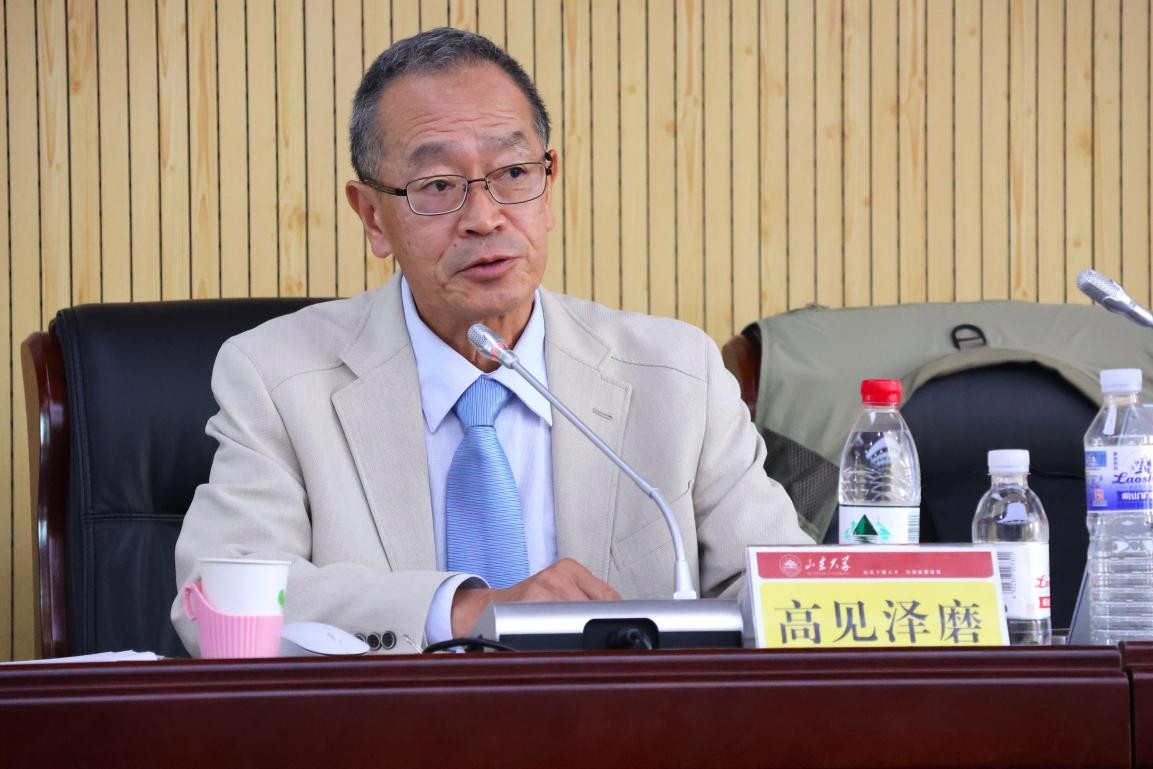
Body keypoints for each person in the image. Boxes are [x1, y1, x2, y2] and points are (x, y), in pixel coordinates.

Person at [170, 27, 811, 656]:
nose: (483, 217)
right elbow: (219, 595)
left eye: (513, 172)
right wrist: (464, 611)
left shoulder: (677, 375)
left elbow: (789, 597)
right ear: (372, 217)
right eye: (437, 186)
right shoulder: (277, 376)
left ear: (548, 186)